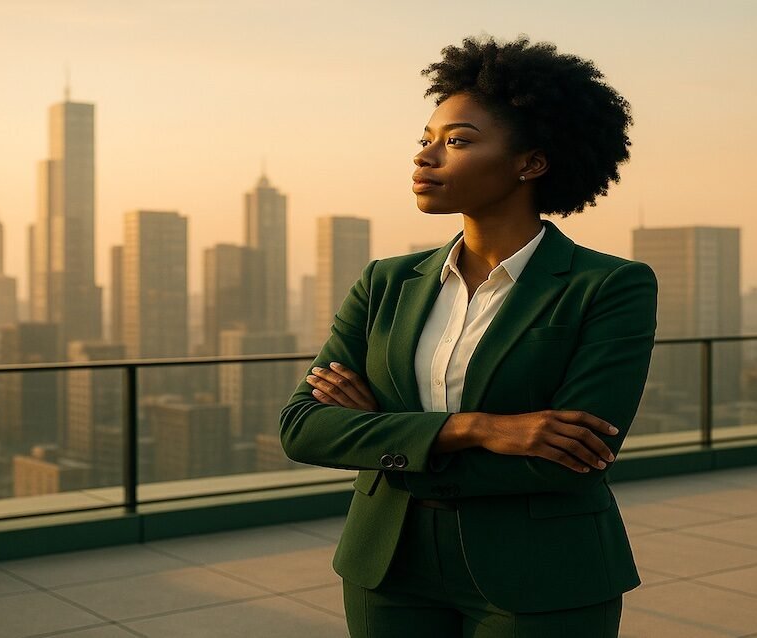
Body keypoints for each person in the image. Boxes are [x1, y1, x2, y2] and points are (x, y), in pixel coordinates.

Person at [279, 33, 657, 637]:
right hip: (388, 566)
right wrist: (479, 428)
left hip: (541, 571)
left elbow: (569, 458)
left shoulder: (609, 286)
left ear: (530, 162)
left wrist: (384, 438)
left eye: (456, 142)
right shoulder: (386, 282)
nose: (425, 159)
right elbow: (303, 427)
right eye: (425, 141)